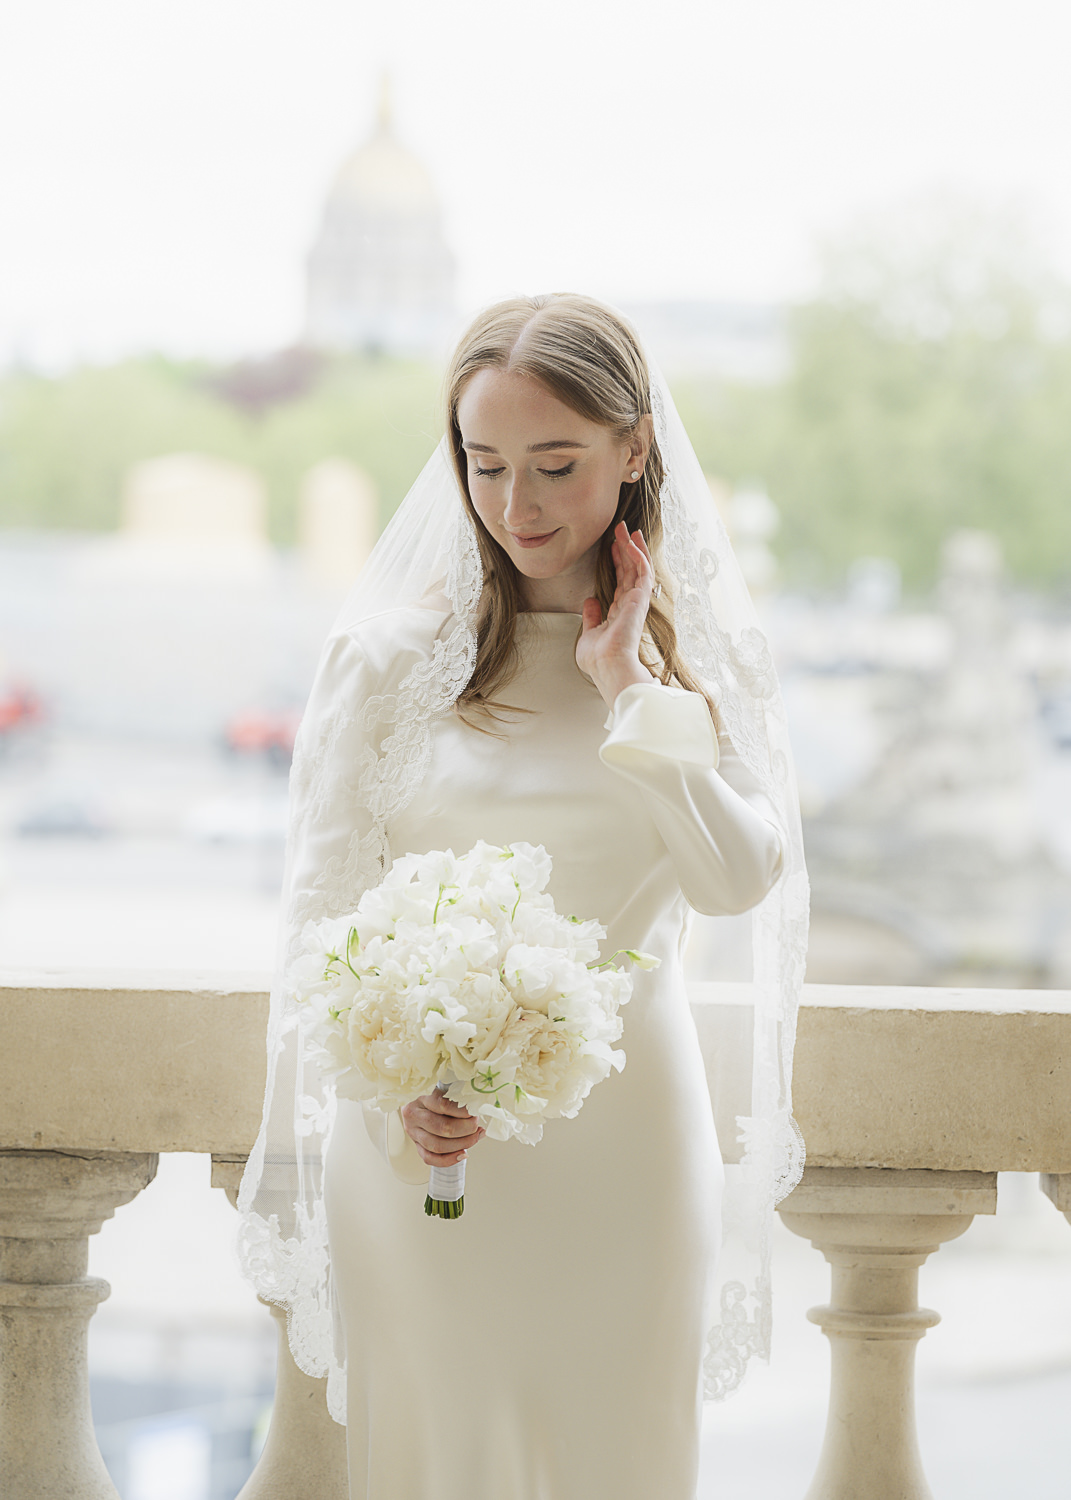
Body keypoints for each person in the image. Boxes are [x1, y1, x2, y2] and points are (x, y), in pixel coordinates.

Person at [237, 294, 808, 1500]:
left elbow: (737, 878)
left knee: (618, 1461)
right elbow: (320, 920)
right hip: (424, 1154)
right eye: (484, 464)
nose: (518, 506)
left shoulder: (696, 662)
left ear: (635, 451)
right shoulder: (387, 662)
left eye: (556, 464)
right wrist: (396, 1096)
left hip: (628, 1154)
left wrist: (628, 698)